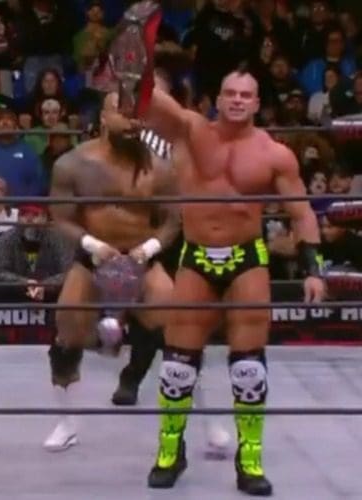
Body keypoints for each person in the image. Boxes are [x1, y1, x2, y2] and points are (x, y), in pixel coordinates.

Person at [105, 2, 326, 495]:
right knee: (177, 365)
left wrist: (313, 267)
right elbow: (139, 94)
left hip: (248, 260)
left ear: (257, 101)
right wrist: (134, 38)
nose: (237, 101)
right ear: (218, 98)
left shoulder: (274, 154)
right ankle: (170, 451)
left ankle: (250, 463)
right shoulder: (189, 130)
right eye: (230, 93)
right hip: (197, 258)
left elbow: (301, 212)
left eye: (246, 94)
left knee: (248, 368)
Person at [44, 91, 181, 452]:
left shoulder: (159, 167)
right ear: (103, 117)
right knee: (67, 330)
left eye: (137, 115)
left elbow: (172, 221)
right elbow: (61, 216)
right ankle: (66, 422)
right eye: (123, 113)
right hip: (94, 259)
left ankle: (205, 422)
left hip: (142, 259)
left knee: (182, 333)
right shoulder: (73, 164)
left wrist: (148, 249)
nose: (132, 121)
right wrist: (92, 244)